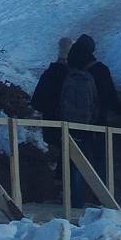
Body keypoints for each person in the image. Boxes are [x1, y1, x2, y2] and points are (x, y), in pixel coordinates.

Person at [63, 34, 121, 208]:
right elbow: (110, 98)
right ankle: (103, 199)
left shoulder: (68, 69)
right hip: (97, 124)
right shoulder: (99, 69)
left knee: (76, 160)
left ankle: (75, 201)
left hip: (72, 124)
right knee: (101, 159)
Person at [31, 37, 73, 185]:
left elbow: (36, 102)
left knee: (57, 155)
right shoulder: (73, 77)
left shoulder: (48, 74)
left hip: (50, 125)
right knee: (70, 157)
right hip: (71, 125)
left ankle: (56, 187)